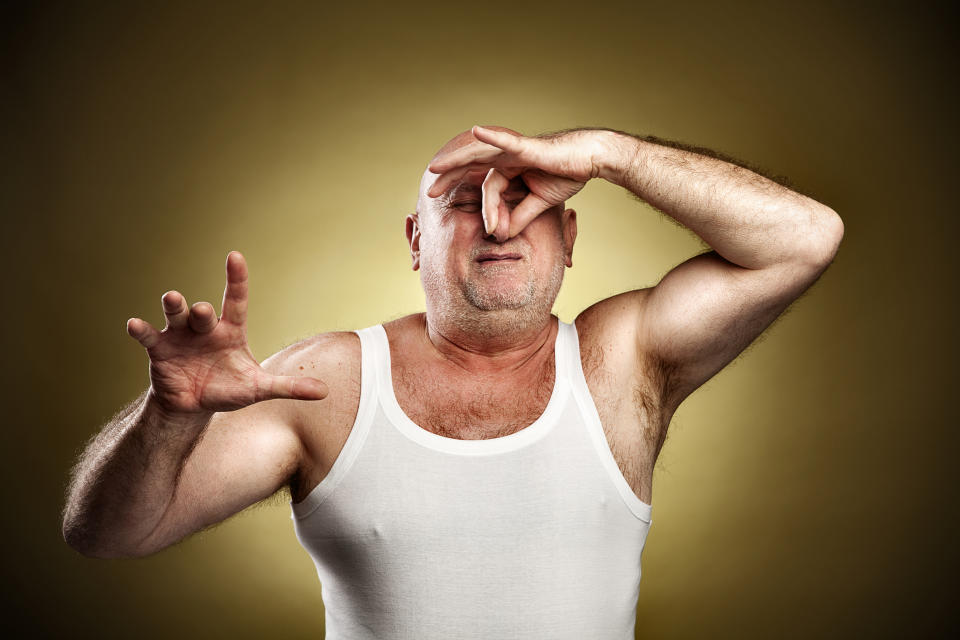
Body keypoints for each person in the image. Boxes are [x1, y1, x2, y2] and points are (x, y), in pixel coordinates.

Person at [62, 125, 843, 639]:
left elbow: (806, 238)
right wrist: (169, 417)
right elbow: (107, 534)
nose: (499, 223)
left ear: (569, 237)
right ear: (414, 240)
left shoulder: (624, 357)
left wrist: (611, 155)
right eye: (464, 204)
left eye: (530, 202)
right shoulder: (326, 382)